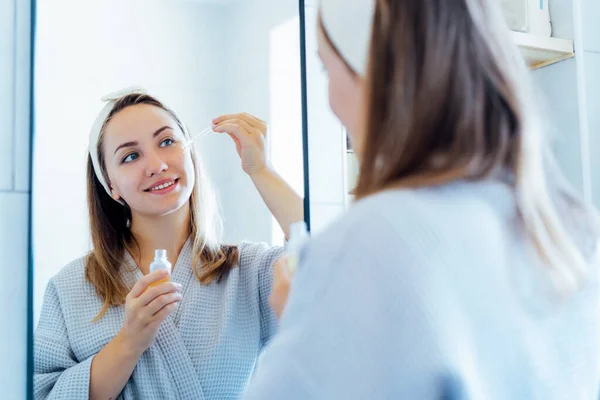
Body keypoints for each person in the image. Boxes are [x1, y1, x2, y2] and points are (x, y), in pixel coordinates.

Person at [246, 0, 600, 398]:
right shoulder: (569, 223)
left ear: (377, 75)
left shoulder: (379, 237)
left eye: (328, 69)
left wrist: (306, 321)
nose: (329, 101)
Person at [34, 86, 303, 400]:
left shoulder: (249, 272)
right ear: (111, 185)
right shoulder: (68, 289)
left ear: (189, 152)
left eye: (166, 141)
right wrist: (129, 341)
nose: (157, 165)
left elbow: (328, 259)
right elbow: (42, 394)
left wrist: (261, 170)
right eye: (131, 156)